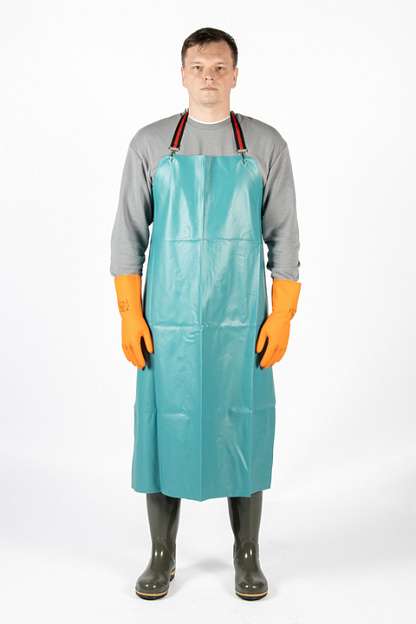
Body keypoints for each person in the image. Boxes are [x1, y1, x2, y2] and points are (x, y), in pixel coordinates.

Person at [110, 26, 302, 601]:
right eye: (198, 67)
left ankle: (248, 554)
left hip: (242, 322)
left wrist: (282, 315)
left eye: (219, 67)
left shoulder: (266, 144)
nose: (209, 77)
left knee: (242, 424)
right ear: (182, 74)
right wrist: (129, 313)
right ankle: (161, 554)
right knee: (164, 426)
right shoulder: (150, 144)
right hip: (165, 324)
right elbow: (127, 236)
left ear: (236, 74)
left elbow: (285, 237)